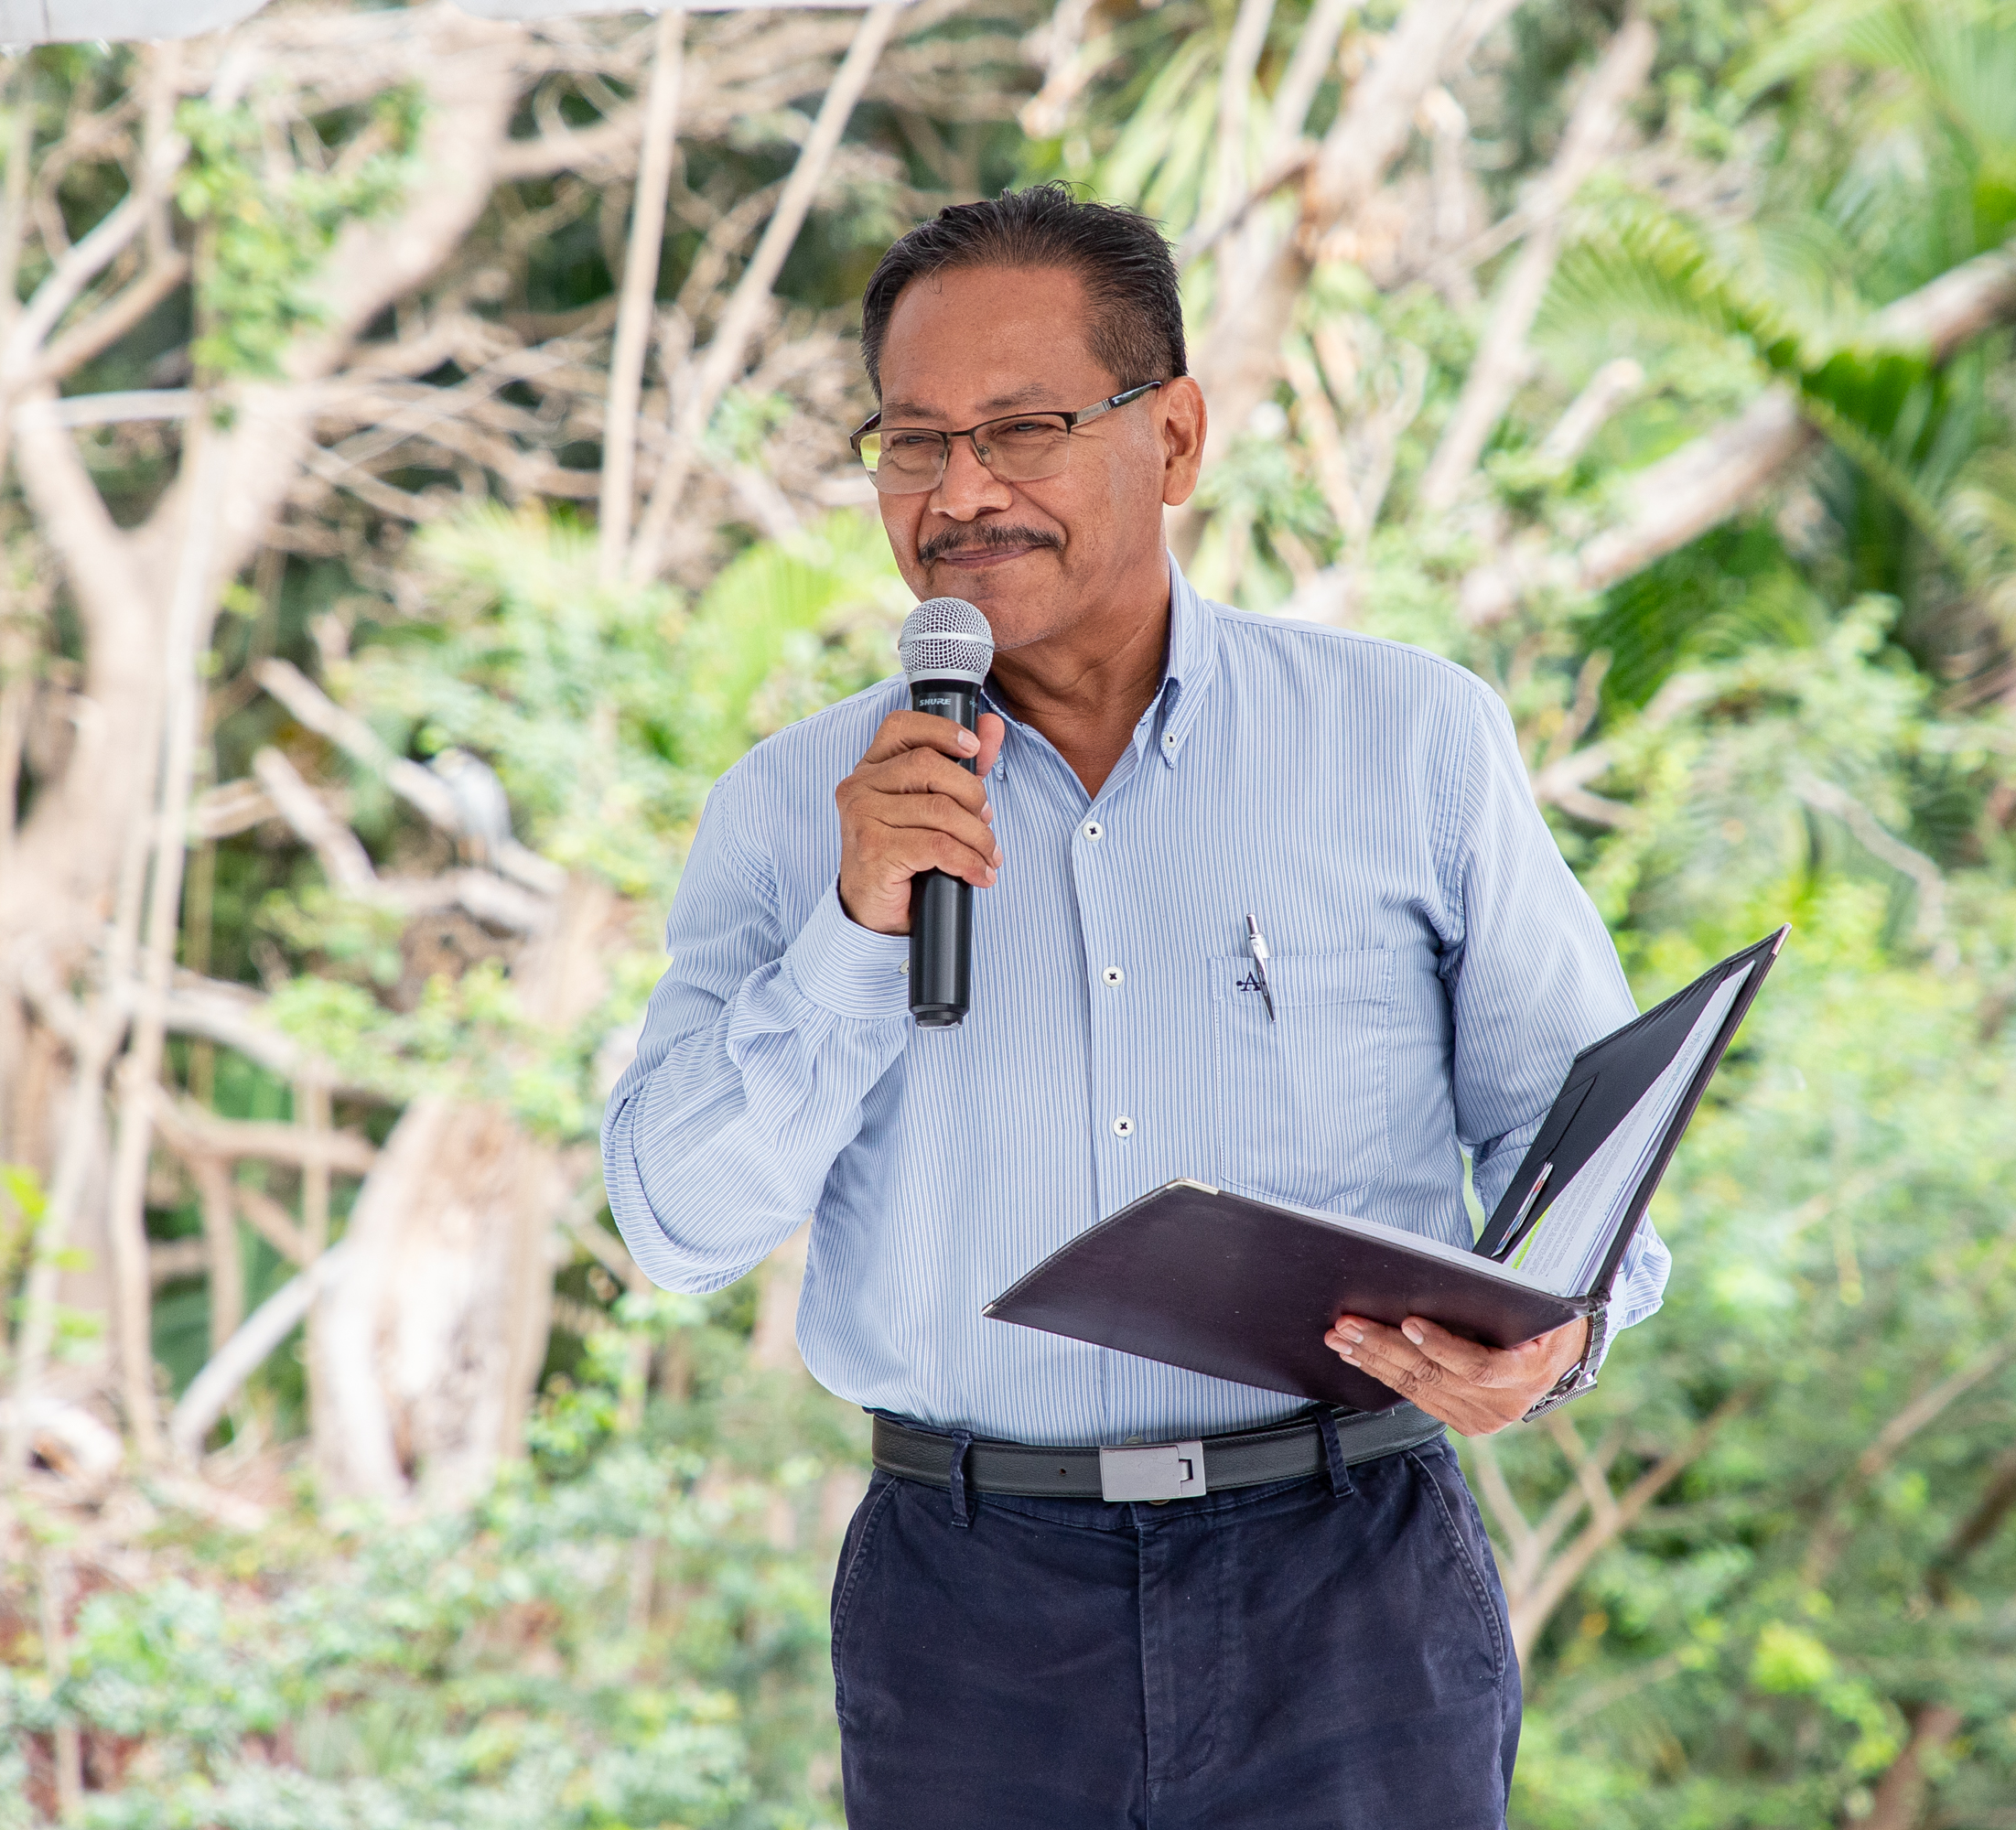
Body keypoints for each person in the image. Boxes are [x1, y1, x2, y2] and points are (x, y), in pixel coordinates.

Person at [601, 184, 1666, 1828]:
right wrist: (855, 927)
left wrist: (1559, 1339)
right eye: (912, 442)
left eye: (1022, 430)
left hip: (1353, 1588)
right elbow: (676, 1226)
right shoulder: (791, 809)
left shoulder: (1410, 741)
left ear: (1172, 438)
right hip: (972, 1612)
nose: (960, 492)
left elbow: (1581, 1154)